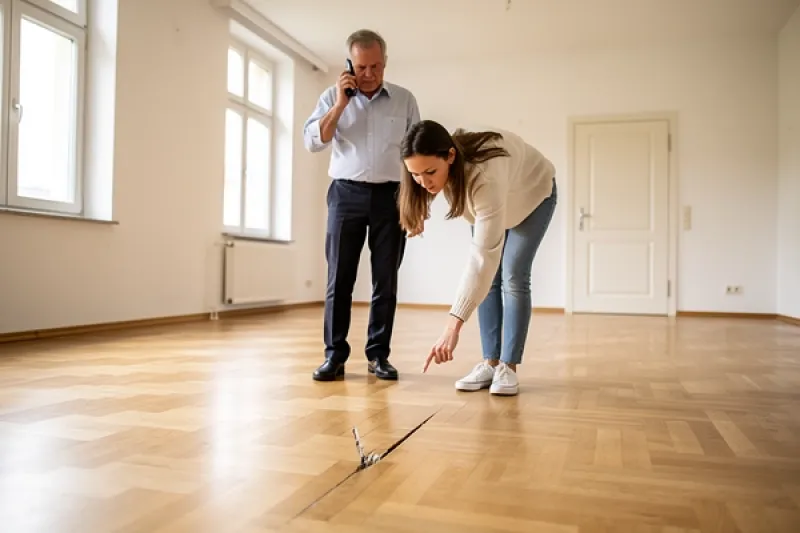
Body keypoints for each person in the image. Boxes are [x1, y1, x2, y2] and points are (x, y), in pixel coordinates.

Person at [398, 120, 557, 396]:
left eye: (430, 172)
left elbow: (481, 259)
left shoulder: (485, 177)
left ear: (450, 156)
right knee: (490, 280)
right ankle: (490, 362)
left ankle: (508, 366)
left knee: (513, 274)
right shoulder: (445, 169)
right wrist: (419, 209)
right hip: (493, 202)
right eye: (415, 175)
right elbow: (428, 179)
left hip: (532, 197)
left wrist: (452, 327)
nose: (424, 183)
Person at [303, 29, 421, 382]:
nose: (369, 74)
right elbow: (313, 141)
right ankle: (334, 356)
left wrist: (417, 206)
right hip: (345, 196)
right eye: (362, 67)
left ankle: (378, 355)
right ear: (349, 64)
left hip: (391, 196)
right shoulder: (331, 96)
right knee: (339, 279)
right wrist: (341, 103)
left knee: (386, 280)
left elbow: (415, 155)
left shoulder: (404, 99)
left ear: (385, 63)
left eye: (376, 67)